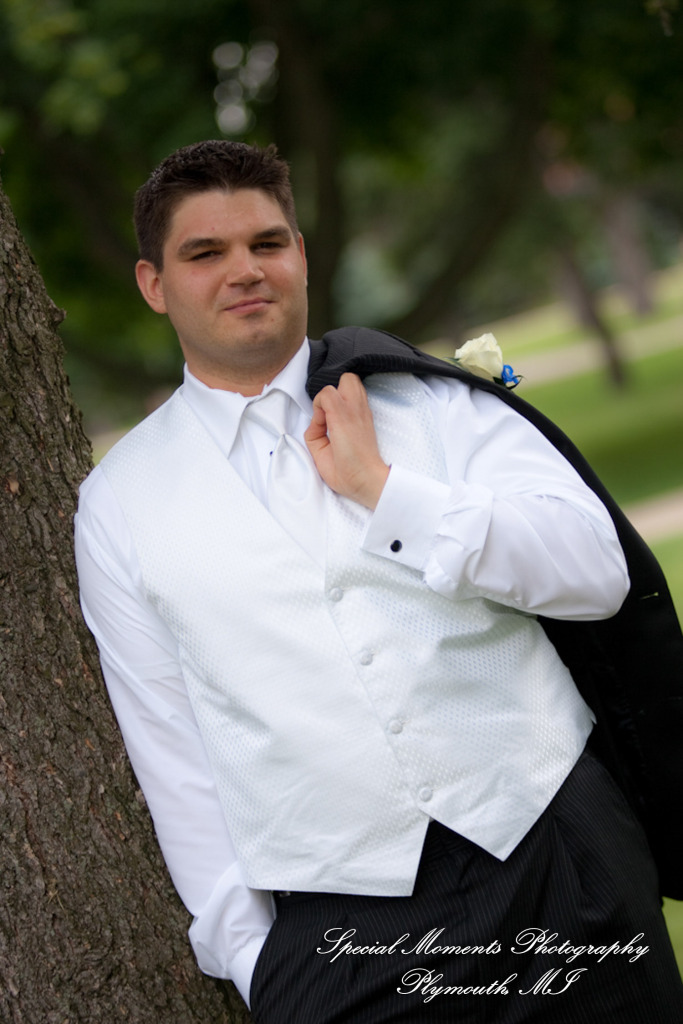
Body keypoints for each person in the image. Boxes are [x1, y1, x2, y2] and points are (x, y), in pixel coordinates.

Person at [74, 140, 683, 1023]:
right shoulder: (118, 503)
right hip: (340, 931)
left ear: (299, 254)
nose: (244, 270)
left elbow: (595, 573)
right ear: (154, 284)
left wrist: (388, 494)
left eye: (266, 243)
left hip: (558, 857)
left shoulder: (429, 400)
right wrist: (253, 960)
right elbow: (172, 749)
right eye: (205, 253)